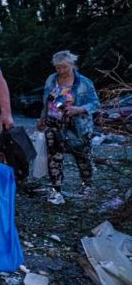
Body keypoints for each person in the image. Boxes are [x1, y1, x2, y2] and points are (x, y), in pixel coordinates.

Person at [36, 50, 100, 205]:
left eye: (64, 67)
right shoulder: (51, 79)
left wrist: (79, 109)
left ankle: (87, 185)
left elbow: (95, 103)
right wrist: (42, 118)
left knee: (82, 156)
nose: (61, 70)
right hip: (54, 124)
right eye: (57, 67)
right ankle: (56, 190)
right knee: (54, 156)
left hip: (78, 125)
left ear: (72, 64)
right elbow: (46, 100)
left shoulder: (84, 82)